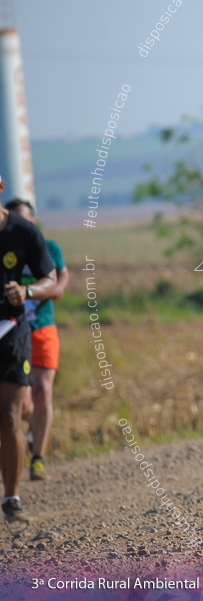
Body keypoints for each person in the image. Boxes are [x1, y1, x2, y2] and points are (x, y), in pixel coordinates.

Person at [0, 180, 57, 524]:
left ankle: (11, 498)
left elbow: (50, 281)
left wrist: (27, 291)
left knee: (8, 415)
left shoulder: (24, 232)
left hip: (10, 329)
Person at [6, 199, 68, 481]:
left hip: (43, 327)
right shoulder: (7, 243)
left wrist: (45, 290)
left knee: (43, 392)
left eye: (26, 219)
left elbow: (59, 278)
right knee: (25, 405)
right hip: (14, 330)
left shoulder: (46, 245)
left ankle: (38, 458)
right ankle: (21, 440)